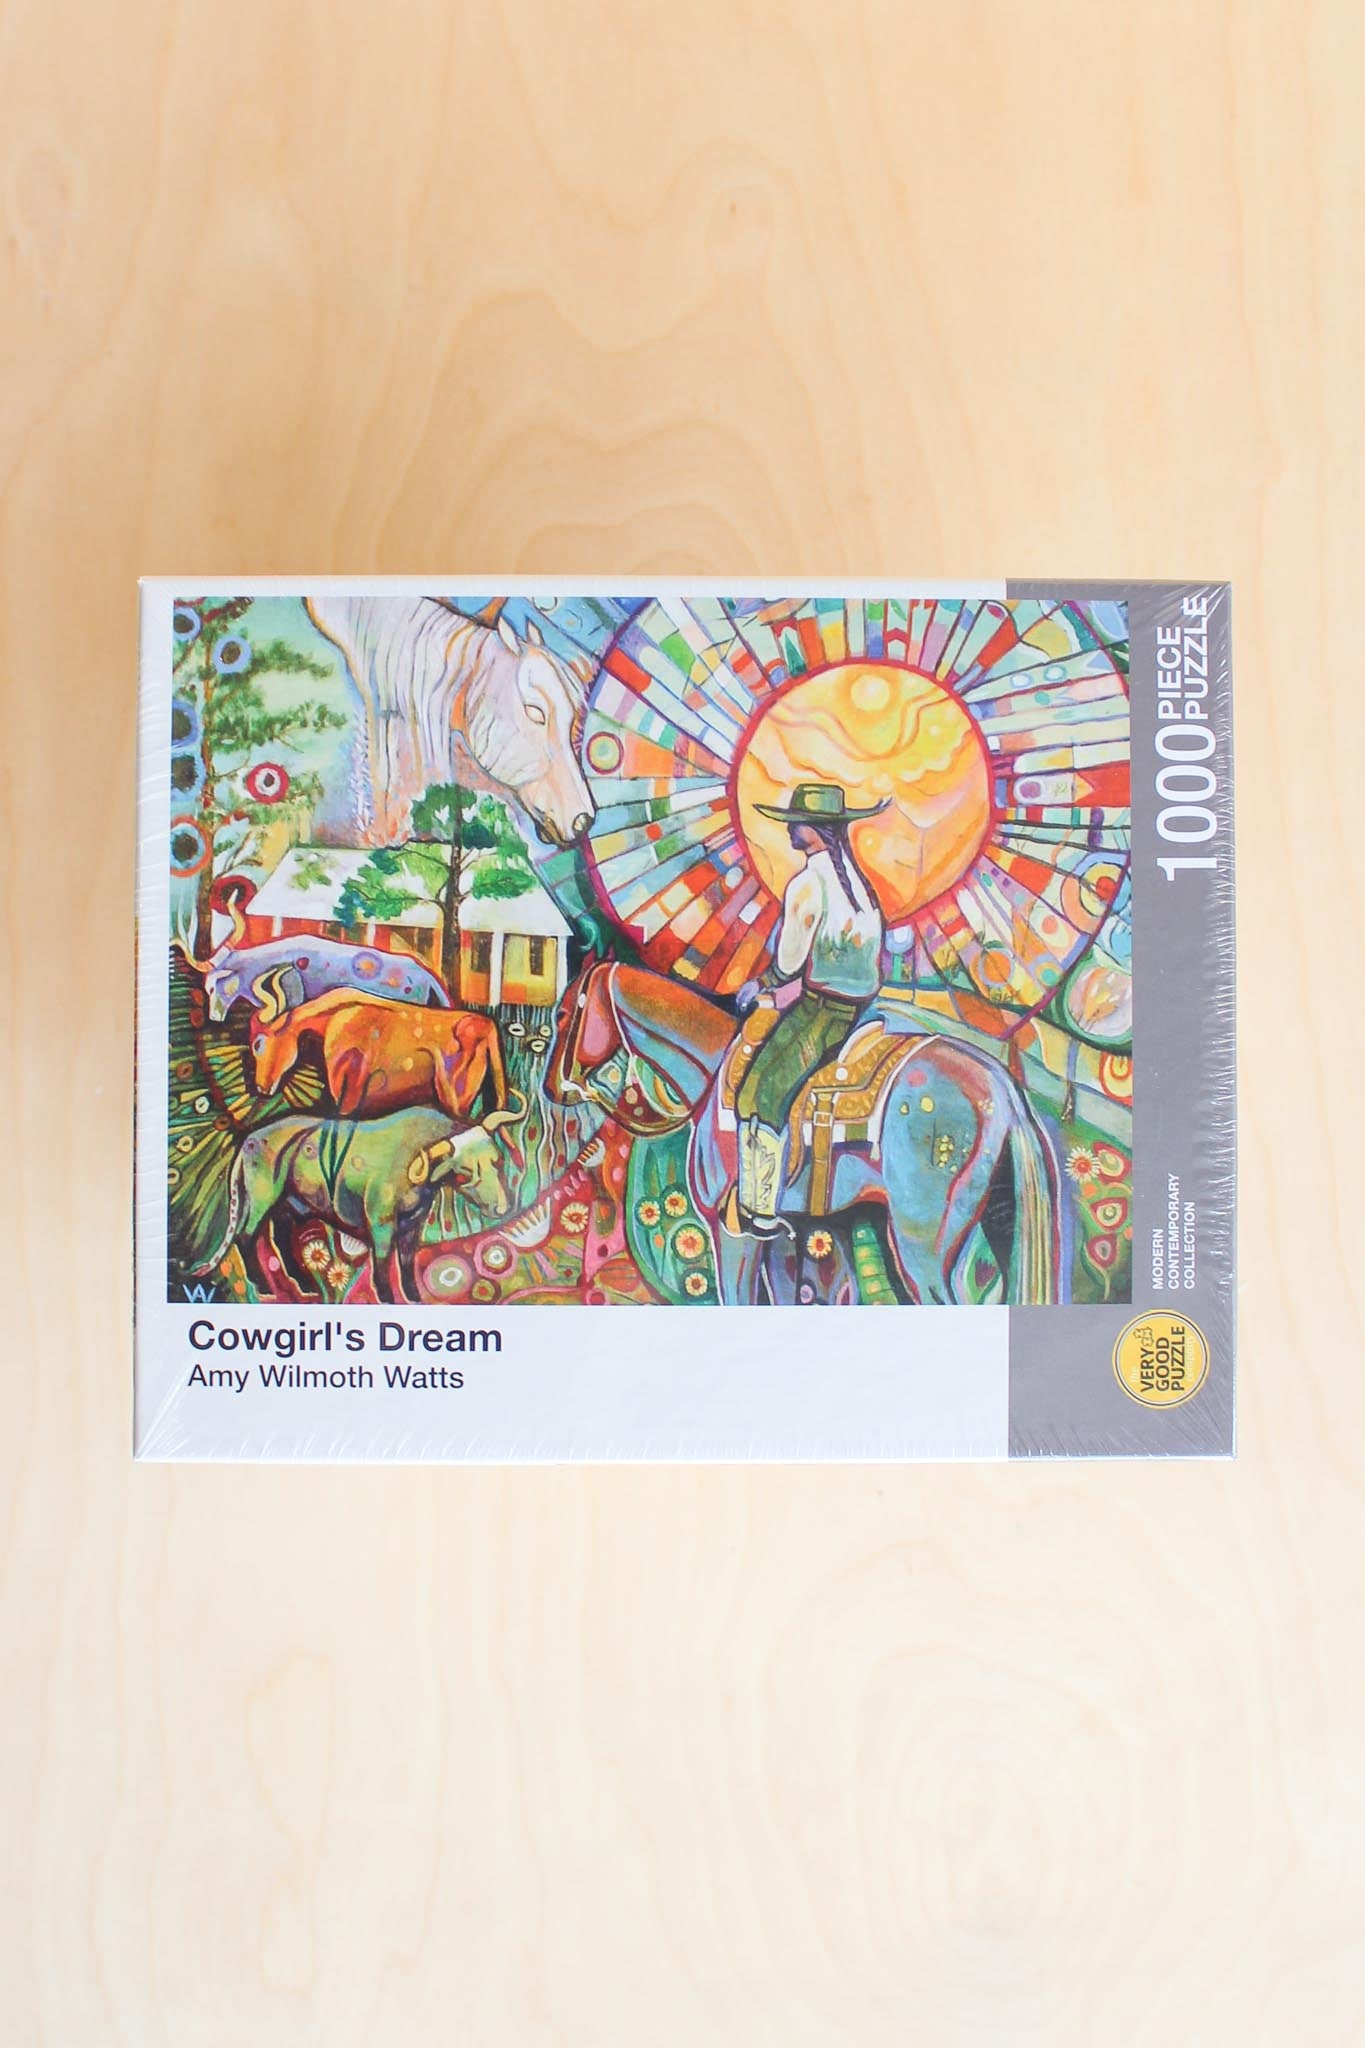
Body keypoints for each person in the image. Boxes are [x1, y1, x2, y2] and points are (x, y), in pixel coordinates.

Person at [733, 782, 887, 1236]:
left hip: (822, 1012)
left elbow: (789, 961)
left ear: (816, 831)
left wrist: (763, 984)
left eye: (796, 823)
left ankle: (759, 1209)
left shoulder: (807, 884)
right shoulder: (860, 887)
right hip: (859, 1008)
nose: (790, 829)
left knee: (759, 1092)